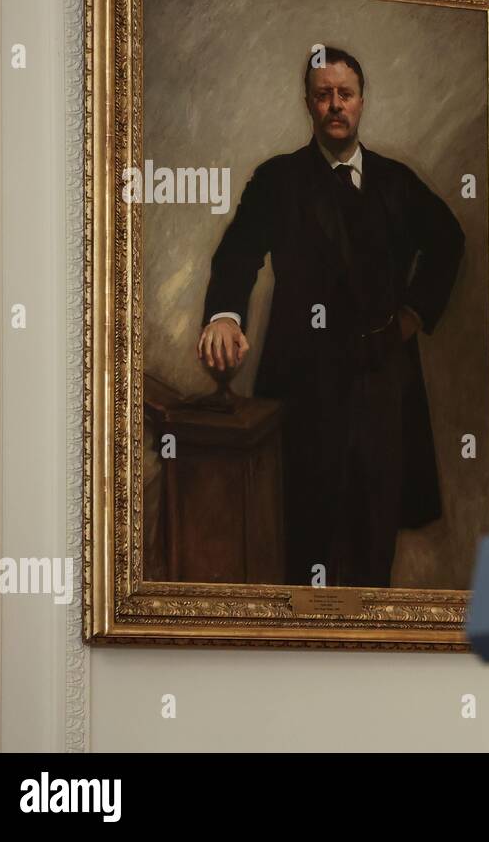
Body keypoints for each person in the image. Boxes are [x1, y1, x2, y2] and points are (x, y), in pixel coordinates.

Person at [197, 46, 464, 587]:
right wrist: (225, 315)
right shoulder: (278, 180)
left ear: (362, 102)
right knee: (306, 533)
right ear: (308, 104)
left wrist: (414, 311)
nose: (335, 105)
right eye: (323, 95)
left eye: (344, 94)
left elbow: (448, 239)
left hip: (383, 382)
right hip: (305, 383)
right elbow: (239, 253)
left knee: (374, 537)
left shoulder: (395, 181)